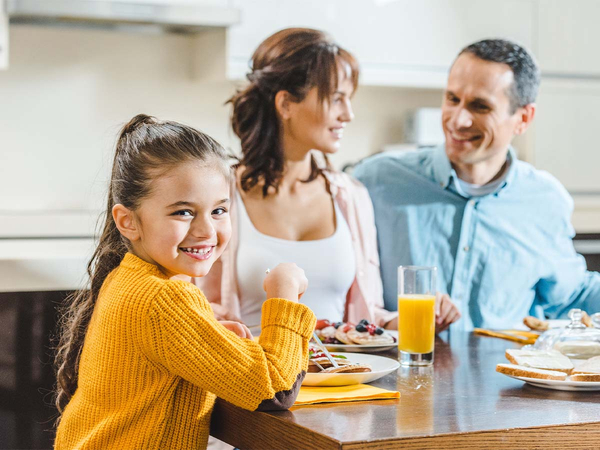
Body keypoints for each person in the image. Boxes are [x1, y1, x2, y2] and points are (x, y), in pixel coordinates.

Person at [53, 114, 316, 450]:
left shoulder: (129, 278)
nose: (207, 230)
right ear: (128, 221)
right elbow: (275, 390)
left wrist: (212, 332)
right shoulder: (165, 298)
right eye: (183, 212)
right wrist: (284, 293)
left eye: (219, 210)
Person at [196, 28, 461, 331]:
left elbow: (367, 318)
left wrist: (417, 319)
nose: (348, 114)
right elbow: (199, 309)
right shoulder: (220, 195)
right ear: (285, 104)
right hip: (254, 374)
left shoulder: (351, 196)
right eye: (336, 99)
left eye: (348, 99)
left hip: (344, 376)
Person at [354, 39, 600, 331]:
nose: (458, 120)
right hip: (399, 372)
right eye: (452, 99)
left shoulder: (545, 199)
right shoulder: (374, 182)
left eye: (480, 106)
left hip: (506, 375)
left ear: (523, 118)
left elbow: (571, 295)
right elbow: (343, 295)